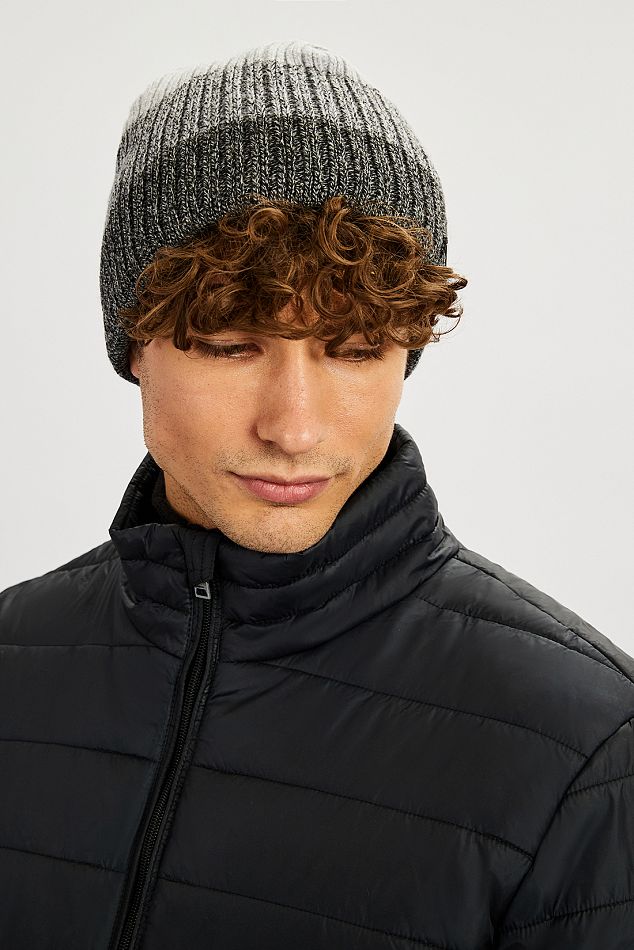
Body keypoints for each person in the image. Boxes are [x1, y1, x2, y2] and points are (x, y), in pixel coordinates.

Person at [1, 39, 632, 950]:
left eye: (356, 348)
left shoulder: (589, 746)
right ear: (134, 344)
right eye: (231, 345)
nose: (294, 428)